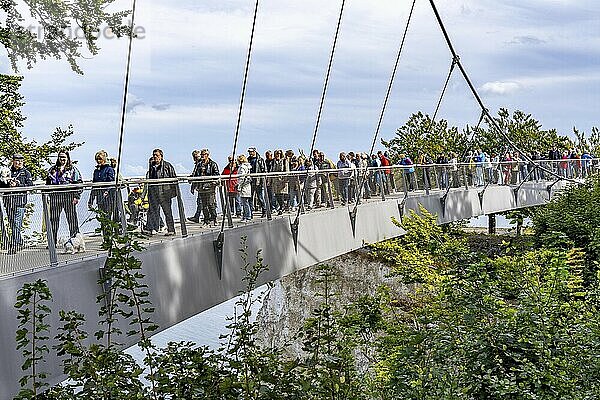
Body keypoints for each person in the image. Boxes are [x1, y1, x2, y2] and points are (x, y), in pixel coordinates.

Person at [46, 150, 83, 245]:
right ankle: (52, 242)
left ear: (67, 158)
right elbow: (47, 184)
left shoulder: (72, 169)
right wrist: (48, 195)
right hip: (55, 198)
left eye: (64, 157)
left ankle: (76, 241)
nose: (62, 159)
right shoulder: (52, 169)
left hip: (68, 197)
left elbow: (79, 183)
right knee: (53, 220)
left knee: (72, 219)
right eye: (60, 157)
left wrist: (77, 196)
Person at [1, 154, 33, 254]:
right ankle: (20, 242)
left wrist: (18, 184)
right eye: (16, 160)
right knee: (12, 224)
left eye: (20, 161)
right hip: (8, 201)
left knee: (16, 224)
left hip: (20, 202)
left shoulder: (26, 173)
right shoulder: (6, 171)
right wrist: (6, 183)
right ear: (13, 161)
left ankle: (14, 246)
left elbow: (30, 186)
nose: (18, 163)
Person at [146, 148, 177, 236]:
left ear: (161, 156)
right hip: (154, 193)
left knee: (167, 212)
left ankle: (171, 230)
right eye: (154, 155)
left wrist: (173, 193)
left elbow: (174, 178)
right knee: (152, 211)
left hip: (165, 193)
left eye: (157, 155)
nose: (155, 157)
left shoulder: (167, 166)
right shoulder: (151, 166)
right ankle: (151, 229)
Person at [88, 150, 116, 243]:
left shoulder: (109, 169)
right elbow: (94, 185)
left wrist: (107, 191)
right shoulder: (96, 171)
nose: (98, 161)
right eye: (97, 159)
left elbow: (112, 182)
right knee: (102, 219)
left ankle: (109, 239)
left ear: (104, 159)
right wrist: (90, 200)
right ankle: (105, 239)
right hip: (100, 197)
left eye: (100, 159)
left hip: (109, 198)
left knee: (107, 217)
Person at [196, 148, 220, 227]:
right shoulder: (199, 164)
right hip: (201, 187)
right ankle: (206, 221)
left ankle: (214, 219)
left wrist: (212, 183)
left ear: (207, 155)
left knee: (211, 204)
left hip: (210, 187)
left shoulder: (213, 164)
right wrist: (193, 183)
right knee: (204, 205)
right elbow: (195, 174)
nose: (202, 156)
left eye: (204, 155)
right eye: (201, 155)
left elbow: (216, 174)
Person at [247, 147, 267, 217]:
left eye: (251, 152)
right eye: (249, 152)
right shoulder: (248, 160)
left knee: (260, 197)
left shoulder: (260, 160)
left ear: (254, 151)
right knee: (250, 197)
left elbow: (264, 170)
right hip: (250, 181)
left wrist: (263, 180)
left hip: (258, 181)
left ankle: (264, 211)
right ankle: (250, 212)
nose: (250, 153)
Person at [187, 150, 203, 223]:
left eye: (196, 157)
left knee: (201, 201)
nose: (195, 158)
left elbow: (197, 175)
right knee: (201, 201)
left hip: (203, 185)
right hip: (200, 185)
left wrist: (192, 181)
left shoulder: (200, 164)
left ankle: (198, 217)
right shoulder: (198, 164)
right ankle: (197, 216)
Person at [237, 154, 253, 222]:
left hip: (244, 186)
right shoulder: (248, 167)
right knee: (246, 202)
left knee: (245, 202)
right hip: (247, 185)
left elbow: (241, 177)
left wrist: (239, 186)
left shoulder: (242, 167)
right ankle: (245, 216)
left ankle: (248, 217)